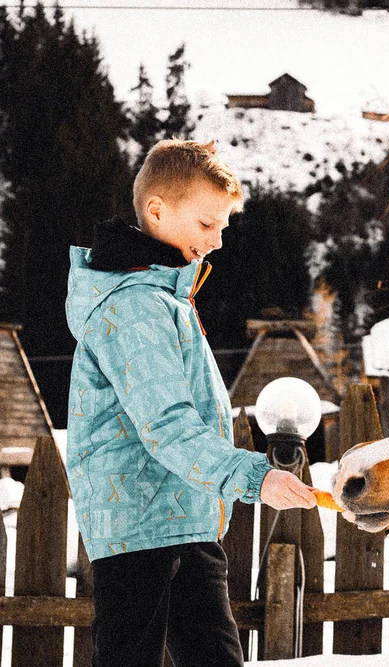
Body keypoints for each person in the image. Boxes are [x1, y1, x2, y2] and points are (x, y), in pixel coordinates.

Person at [64, 139, 318, 667]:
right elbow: (168, 424)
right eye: (207, 225)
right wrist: (255, 477)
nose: (218, 241)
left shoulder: (166, 298)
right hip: (138, 528)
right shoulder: (135, 305)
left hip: (185, 518)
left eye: (223, 227)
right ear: (156, 211)